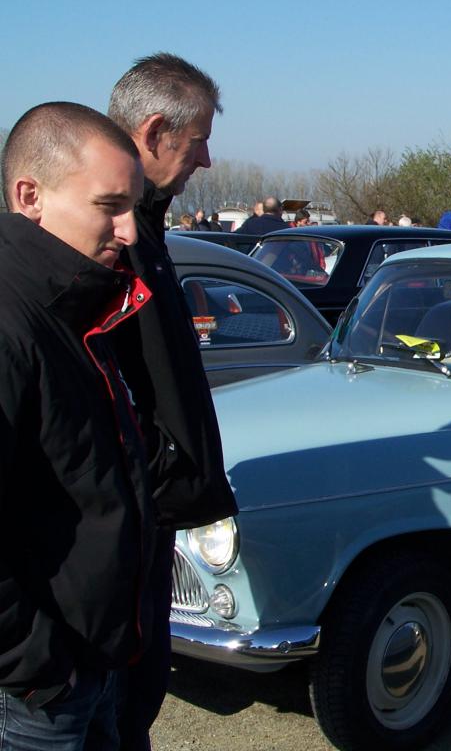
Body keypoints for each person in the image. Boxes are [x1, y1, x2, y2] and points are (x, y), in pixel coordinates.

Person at [0, 101, 158, 749]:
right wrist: (38, 666)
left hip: (92, 662)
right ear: (30, 196)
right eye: (109, 206)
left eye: (134, 208)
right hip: (38, 694)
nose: (129, 231)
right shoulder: (14, 324)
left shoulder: (74, 310)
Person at [108, 52, 238, 749]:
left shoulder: (146, 225)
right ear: (155, 132)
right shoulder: (106, 236)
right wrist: (151, 478)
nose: (208, 160)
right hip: (126, 523)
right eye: (197, 142)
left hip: (150, 518)